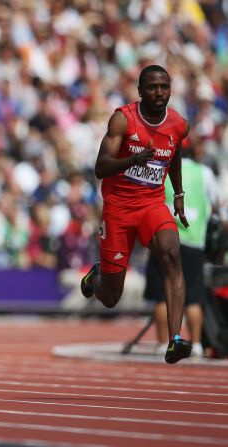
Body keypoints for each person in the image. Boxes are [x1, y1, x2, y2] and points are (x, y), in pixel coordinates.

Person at [80, 65, 193, 364]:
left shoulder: (179, 124)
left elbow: (175, 153)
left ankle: (175, 340)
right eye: (153, 87)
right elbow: (100, 167)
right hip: (118, 209)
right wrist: (133, 159)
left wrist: (178, 194)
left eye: (164, 87)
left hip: (152, 204)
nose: (159, 93)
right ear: (141, 91)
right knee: (111, 297)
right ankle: (96, 277)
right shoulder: (123, 119)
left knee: (172, 254)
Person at [144, 143, 222, 357]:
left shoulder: (160, 168)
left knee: (161, 295)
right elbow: (217, 202)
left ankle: (162, 343)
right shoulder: (203, 173)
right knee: (194, 297)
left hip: (163, 239)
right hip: (194, 241)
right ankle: (196, 343)